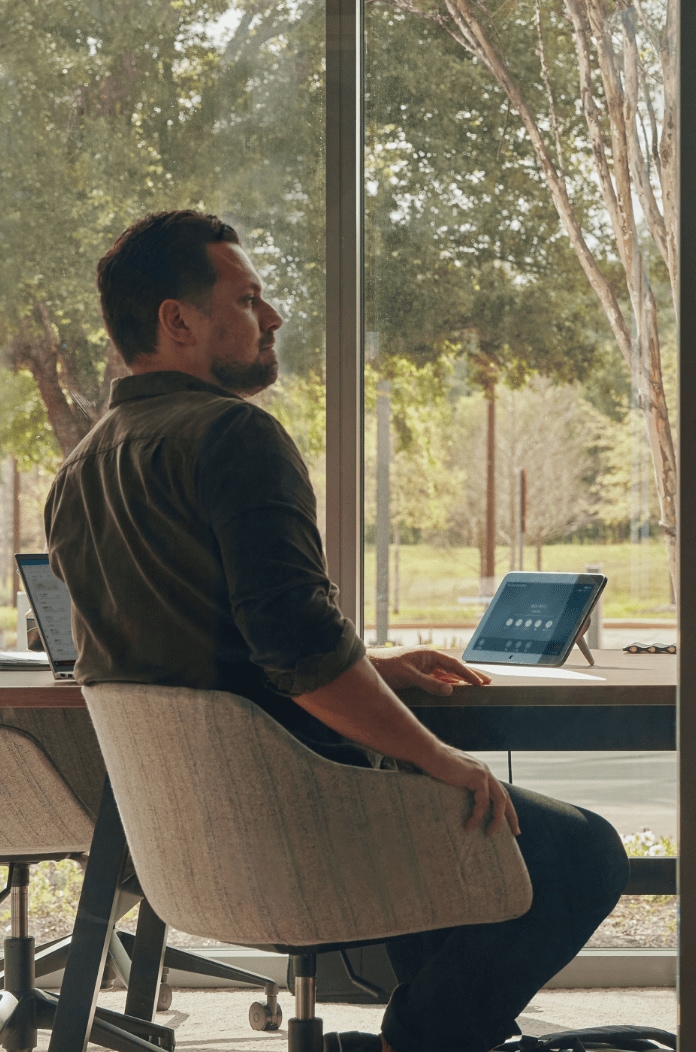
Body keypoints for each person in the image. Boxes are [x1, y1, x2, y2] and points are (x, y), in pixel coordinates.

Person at [43, 211, 628, 1052]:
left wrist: (374, 665)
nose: (273, 317)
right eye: (248, 299)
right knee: (583, 854)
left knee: (469, 854)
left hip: (186, 844)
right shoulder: (235, 436)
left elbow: (206, 654)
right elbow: (300, 652)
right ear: (178, 320)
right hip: (303, 825)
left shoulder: (81, 470)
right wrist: (438, 757)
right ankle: (422, 1038)